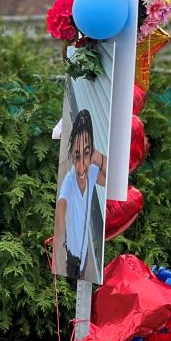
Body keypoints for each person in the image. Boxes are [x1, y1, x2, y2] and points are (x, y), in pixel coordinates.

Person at [54, 109, 107, 279]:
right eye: (77, 156)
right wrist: (56, 241)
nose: (82, 165)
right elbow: (62, 204)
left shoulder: (92, 172)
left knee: (83, 275)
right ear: (71, 156)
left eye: (86, 153)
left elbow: (111, 178)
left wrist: (96, 157)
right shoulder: (69, 181)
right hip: (73, 255)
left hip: (85, 253)